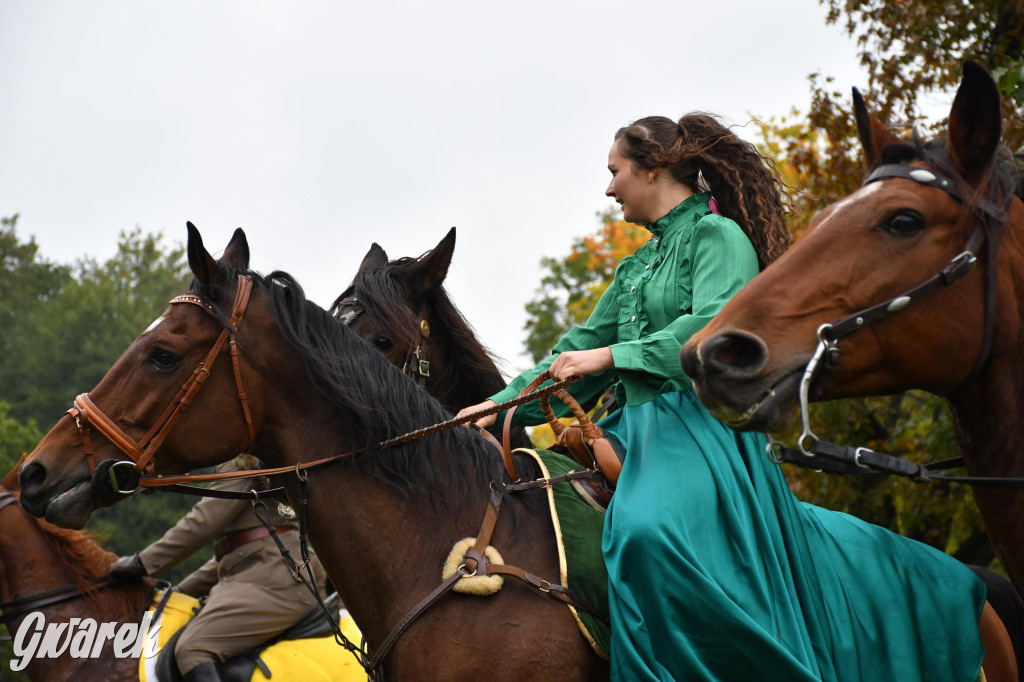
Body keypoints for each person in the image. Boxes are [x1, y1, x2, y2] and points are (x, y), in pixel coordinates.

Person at [457, 113, 989, 680]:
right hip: (625, 432)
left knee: (645, 531)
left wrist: (614, 357)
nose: (608, 188)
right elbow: (575, 352)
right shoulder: (635, 267)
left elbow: (713, 329)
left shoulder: (719, 235)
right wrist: (499, 407)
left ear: (653, 167)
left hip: (697, 429)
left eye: (615, 172)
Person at [109, 454, 329, 682]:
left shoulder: (240, 463)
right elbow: (237, 553)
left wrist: (141, 563)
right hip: (278, 573)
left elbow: (203, 522)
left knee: (193, 649)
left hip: (275, 582)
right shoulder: (258, 462)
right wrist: (177, 593)